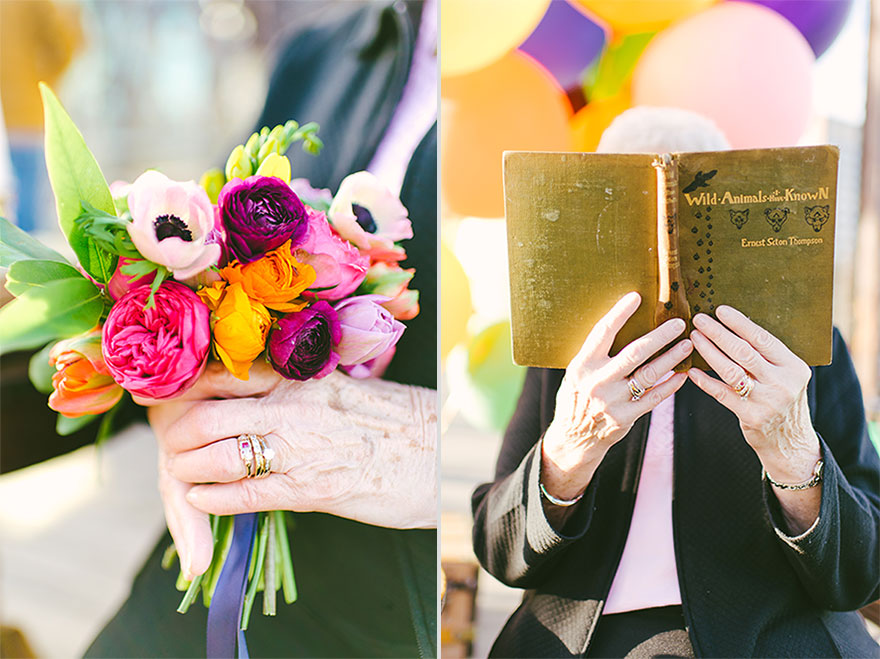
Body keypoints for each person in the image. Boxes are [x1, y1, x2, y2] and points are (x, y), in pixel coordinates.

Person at [86, 1, 438, 656]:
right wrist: (178, 382)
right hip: (238, 550)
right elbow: (211, 254)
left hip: (410, 603)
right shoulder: (318, 54)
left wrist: (426, 448)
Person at [471, 107, 880, 658]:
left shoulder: (803, 350)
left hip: (775, 635)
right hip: (579, 638)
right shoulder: (567, 356)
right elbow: (499, 550)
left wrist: (793, 456)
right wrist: (570, 448)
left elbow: (863, 570)